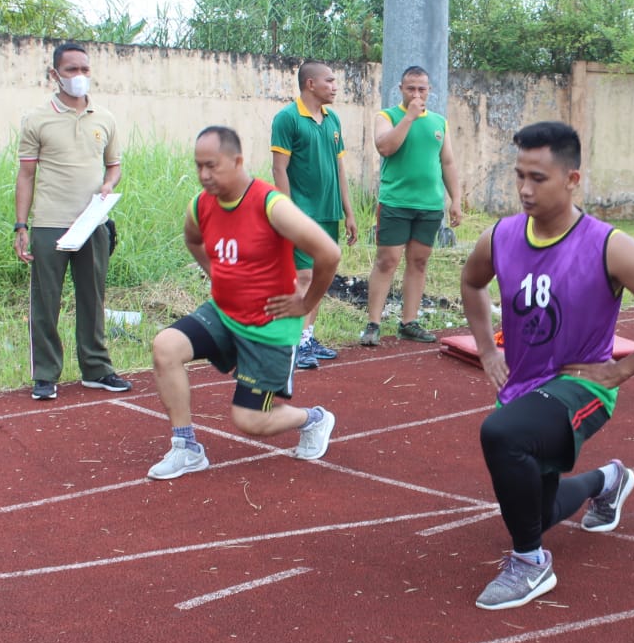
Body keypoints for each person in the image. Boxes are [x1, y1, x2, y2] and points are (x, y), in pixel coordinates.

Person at [461, 121, 634, 610]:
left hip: (581, 387)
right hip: (524, 386)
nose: (525, 190)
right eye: (519, 176)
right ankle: (607, 481)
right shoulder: (501, 236)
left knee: (503, 435)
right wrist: (488, 350)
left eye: (539, 178)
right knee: (539, 508)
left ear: (572, 179)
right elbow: (471, 282)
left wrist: (620, 371)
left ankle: (530, 564)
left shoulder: (607, 245)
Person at [147, 126, 340, 480]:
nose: (204, 176)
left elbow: (328, 253)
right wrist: (217, 274)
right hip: (224, 313)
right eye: (199, 166)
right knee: (166, 347)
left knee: (250, 420)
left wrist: (305, 302)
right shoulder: (201, 204)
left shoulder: (271, 205)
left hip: (269, 326)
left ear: (237, 161)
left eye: (212, 166)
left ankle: (314, 419)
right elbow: (192, 238)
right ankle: (186, 448)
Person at [13, 41, 131, 401]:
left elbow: (114, 165)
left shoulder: (105, 118)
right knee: (45, 301)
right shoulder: (36, 119)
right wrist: (21, 226)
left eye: (85, 69)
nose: (79, 77)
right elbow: (26, 175)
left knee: (92, 298)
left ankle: (96, 369)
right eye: (71, 70)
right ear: (54, 75)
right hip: (50, 223)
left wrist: (109, 185)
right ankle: (46, 375)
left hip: (93, 224)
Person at [361, 66, 462, 347]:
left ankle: (409, 322)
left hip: (429, 206)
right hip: (396, 203)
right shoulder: (387, 117)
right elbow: (386, 148)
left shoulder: (439, 122)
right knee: (387, 261)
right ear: (401, 89)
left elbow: (448, 163)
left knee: (418, 262)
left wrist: (456, 199)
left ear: (429, 90)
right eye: (411, 88)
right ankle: (373, 324)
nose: (417, 94)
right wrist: (409, 117)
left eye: (422, 89)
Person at [271, 60, 359, 370]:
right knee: (304, 277)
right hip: (302, 212)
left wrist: (348, 212)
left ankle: (307, 337)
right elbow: (278, 168)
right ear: (311, 84)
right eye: (330, 81)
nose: (335, 87)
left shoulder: (333, 120)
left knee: (321, 276)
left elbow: (339, 168)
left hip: (328, 212)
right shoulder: (287, 119)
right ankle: (295, 343)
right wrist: (286, 212)